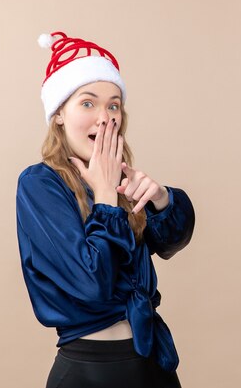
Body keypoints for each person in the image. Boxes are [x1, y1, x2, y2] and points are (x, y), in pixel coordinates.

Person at [16, 31, 195, 388]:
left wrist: (160, 199)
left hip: (151, 365)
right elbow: (91, 282)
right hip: (89, 371)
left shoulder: (119, 180)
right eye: (88, 103)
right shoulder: (39, 184)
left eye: (113, 105)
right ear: (59, 115)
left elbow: (172, 242)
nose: (104, 117)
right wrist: (104, 198)